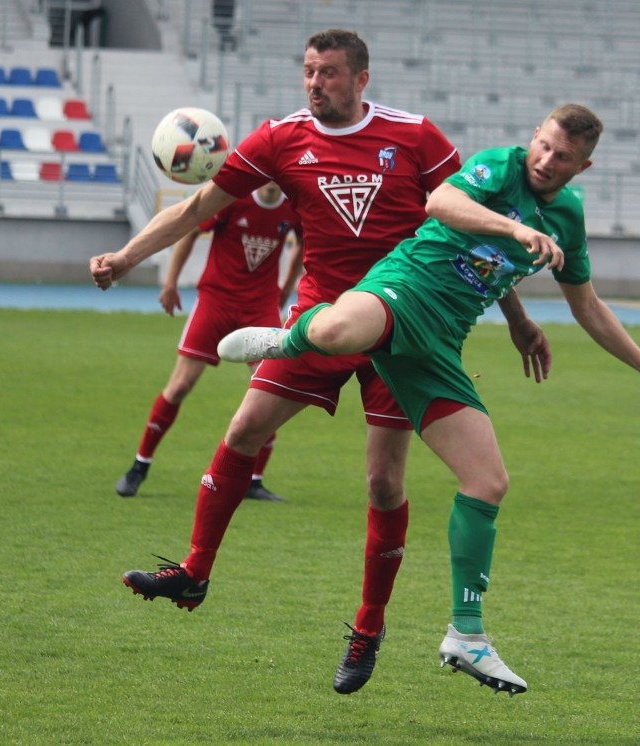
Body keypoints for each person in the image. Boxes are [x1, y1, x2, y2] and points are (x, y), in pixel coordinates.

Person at [90, 28, 550, 697]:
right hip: (321, 318)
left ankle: (368, 627)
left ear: (362, 79)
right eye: (308, 71)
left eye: (329, 73)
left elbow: (471, 226)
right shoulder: (279, 139)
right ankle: (194, 572)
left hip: (406, 327)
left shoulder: (415, 137)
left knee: (383, 484)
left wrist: (519, 319)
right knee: (245, 428)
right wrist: (127, 258)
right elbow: (199, 205)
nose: (315, 83)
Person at [217, 103, 640, 696]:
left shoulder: (567, 216)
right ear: (533, 136)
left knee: (487, 481)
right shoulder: (500, 168)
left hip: (440, 341)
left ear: (584, 165)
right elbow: (439, 203)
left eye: (562, 156)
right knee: (336, 332)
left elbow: (587, 305)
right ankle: (286, 338)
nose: (546, 160)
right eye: (543, 145)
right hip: (404, 288)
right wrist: (514, 228)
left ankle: (466, 634)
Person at [114, 182, 303, 502]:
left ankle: (254, 480)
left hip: (259, 306)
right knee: (179, 386)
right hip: (216, 300)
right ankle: (139, 467)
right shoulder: (236, 198)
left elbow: (303, 244)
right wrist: (171, 282)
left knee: (272, 390)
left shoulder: (292, 207)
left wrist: (286, 286)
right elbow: (190, 232)